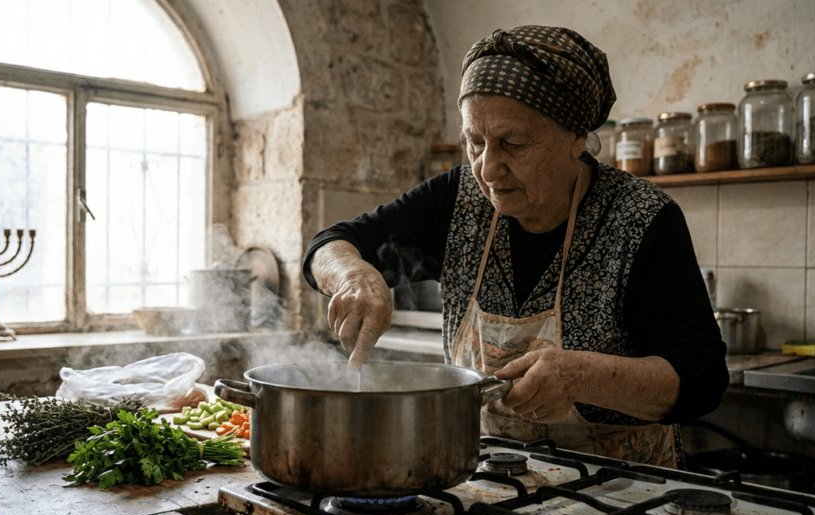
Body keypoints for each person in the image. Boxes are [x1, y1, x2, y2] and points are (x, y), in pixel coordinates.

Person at [302, 25, 729, 468]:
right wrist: (352, 274)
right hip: (488, 482)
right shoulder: (456, 199)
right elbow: (329, 244)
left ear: (575, 138)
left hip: (626, 496)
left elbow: (703, 379)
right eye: (475, 142)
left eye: (513, 143)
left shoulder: (640, 219)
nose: (487, 169)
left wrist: (582, 376)